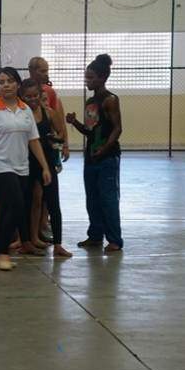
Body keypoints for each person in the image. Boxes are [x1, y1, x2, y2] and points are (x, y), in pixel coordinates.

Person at [0, 67, 52, 271]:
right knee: (17, 205)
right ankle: (1, 252)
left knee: (11, 209)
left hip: (22, 168)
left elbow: (33, 140)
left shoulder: (25, 109)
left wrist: (45, 167)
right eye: (1, 82)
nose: (6, 85)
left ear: (18, 84)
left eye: (9, 81)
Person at [67, 54, 123, 253]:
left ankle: (114, 239)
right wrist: (74, 122)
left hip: (107, 158)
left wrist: (105, 149)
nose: (87, 81)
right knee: (92, 198)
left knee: (108, 198)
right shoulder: (91, 102)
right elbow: (90, 131)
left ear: (102, 78)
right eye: (86, 77)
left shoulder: (110, 100)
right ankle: (95, 236)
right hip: (91, 156)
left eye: (91, 77)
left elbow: (117, 128)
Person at [19, 79, 71, 257]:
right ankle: (27, 239)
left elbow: (61, 131)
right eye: (28, 97)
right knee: (28, 201)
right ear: (22, 97)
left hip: (46, 163)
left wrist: (57, 140)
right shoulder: (20, 114)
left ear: (40, 95)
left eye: (35, 95)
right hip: (26, 163)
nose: (32, 99)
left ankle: (58, 244)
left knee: (53, 202)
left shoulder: (48, 112)